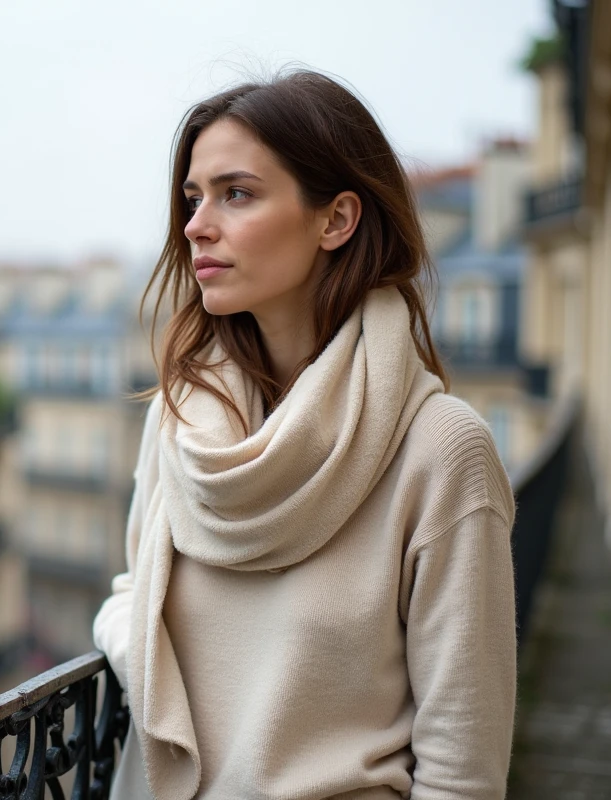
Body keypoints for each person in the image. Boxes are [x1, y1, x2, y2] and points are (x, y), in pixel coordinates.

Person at [92, 69, 516, 800]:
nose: (196, 224)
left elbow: (462, 771)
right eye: (194, 198)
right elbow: (134, 591)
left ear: (336, 220)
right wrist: (131, 638)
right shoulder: (182, 419)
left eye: (237, 193)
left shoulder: (443, 451)